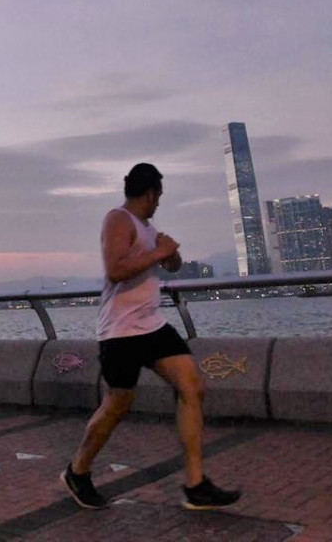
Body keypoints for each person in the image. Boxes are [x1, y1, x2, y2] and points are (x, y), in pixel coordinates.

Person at [62, 163, 241, 512]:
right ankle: (77, 471)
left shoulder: (148, 227)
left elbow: (167, 265)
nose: (159, 203)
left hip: (152, 325)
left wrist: (169, 255)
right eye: (158, 197)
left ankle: (195, 484)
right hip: (121, 331)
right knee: (117, 405)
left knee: (192, 385)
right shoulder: (118, 219)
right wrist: (158, 252)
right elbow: (115, 270)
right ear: (150, 193)